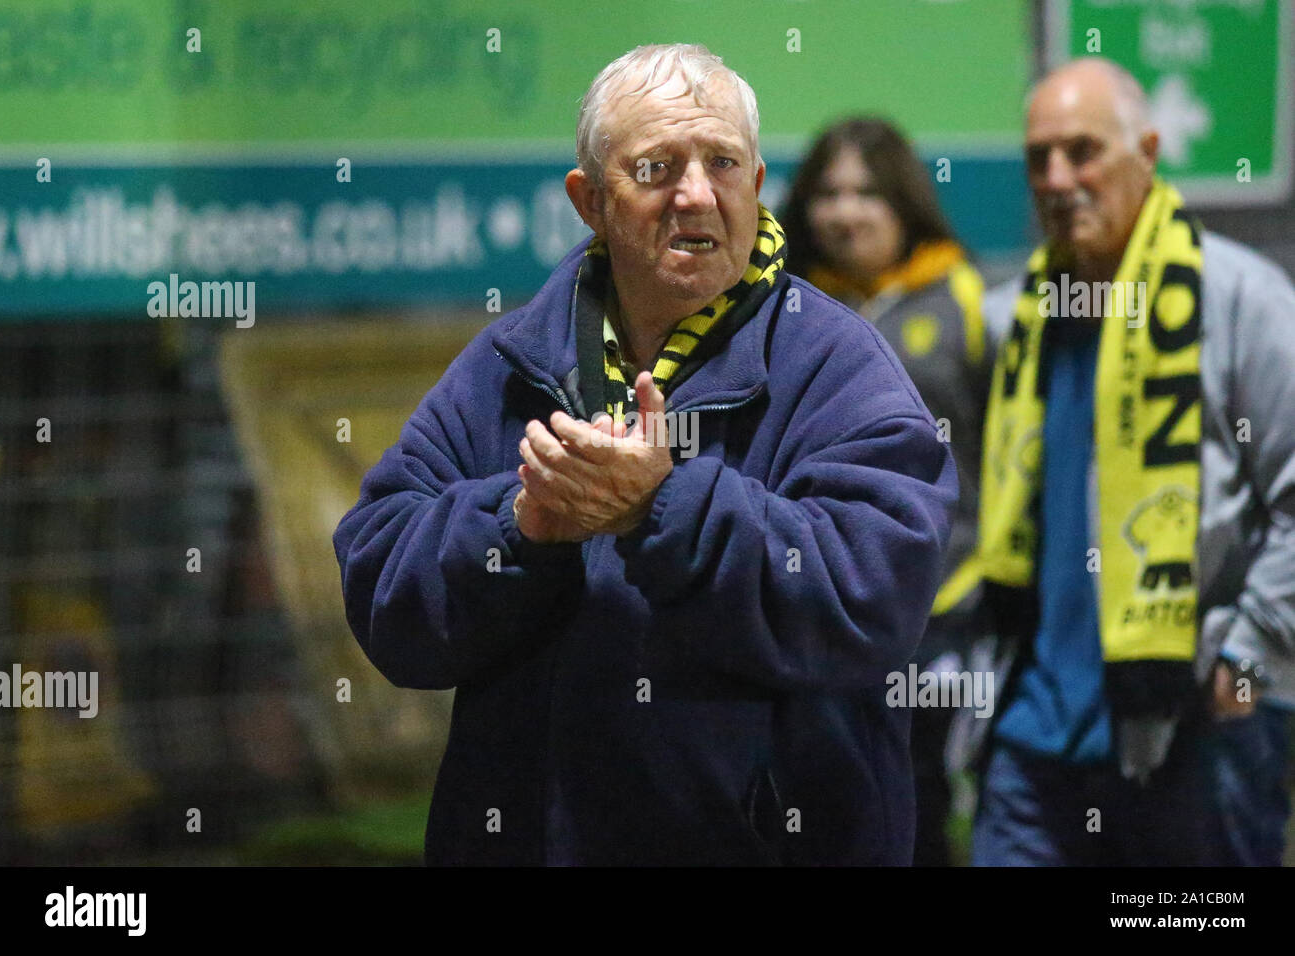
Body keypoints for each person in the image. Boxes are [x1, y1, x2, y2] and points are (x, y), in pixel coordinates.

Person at [331, 44, 957, 866]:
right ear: (589, 200)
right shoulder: (507, 360)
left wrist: (664, 506)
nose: (696, 195)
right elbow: (382, 586)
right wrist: (519, 527)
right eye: (657, 167)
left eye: (722, 163)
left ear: (757, 183)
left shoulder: (838, 363)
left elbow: (874, 596)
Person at [971, 57, 1295, 866]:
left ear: (1147, 151)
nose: (1057, 178)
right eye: (1038, 158)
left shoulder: (1241, 300)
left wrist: (1245, 656)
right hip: (1034, 730)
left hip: (1195, 724)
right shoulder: (1018, 319)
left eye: (1082, 152)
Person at [781, 118, 992, 866]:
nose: (845, 212)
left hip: (942, 611)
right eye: (828, 193)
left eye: (867, 193)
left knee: (923, 801)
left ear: (904, 201)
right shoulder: (781, 305)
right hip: (813, 606)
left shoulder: (967, 298)